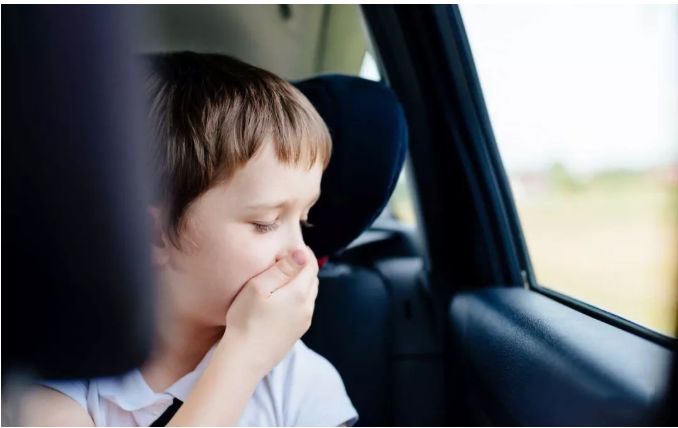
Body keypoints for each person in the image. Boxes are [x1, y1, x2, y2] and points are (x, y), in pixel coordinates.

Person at [19, 52, 358, 427]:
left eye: (304, 219)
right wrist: (243, 357)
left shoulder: (301, 384)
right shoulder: (57, 374)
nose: (301, 254)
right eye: (265, 223)